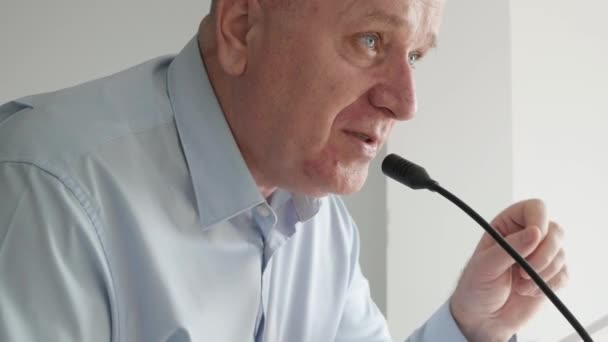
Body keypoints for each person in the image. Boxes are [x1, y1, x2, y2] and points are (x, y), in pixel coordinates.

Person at [0, 0, 568, 341]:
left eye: (416, 55)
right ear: (242, 26)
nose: (406, 101)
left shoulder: (320, 223)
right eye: (371, 40)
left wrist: (473, 323)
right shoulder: (49, 192)